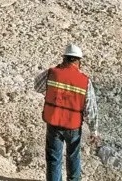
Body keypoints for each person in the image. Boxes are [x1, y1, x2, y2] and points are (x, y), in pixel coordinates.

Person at [35, 44, 100, 181]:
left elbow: (37, 86)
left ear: (64, 58)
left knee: (54, 158)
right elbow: (90, 108)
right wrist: (94, 130)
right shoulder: (85, 80)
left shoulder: (52, 73)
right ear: (78, 61)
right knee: (73, 156)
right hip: (73, 126)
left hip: (54, 123)